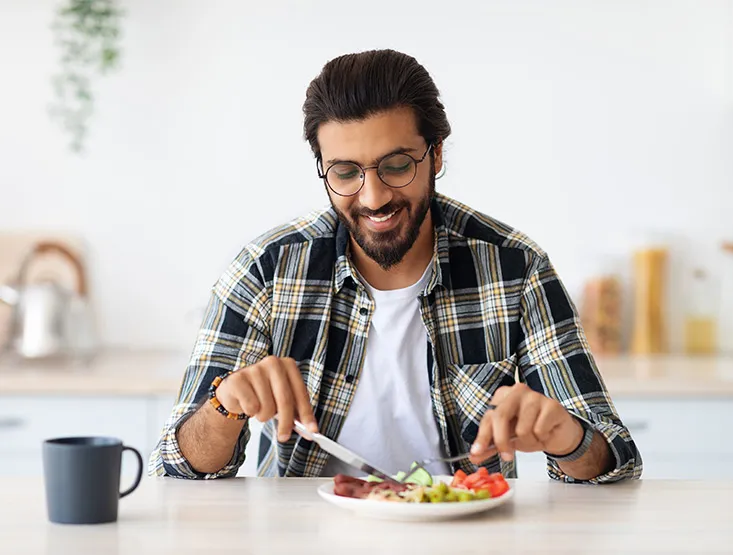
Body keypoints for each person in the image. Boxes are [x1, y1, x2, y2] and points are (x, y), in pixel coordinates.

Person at [149, 49, 642, 483]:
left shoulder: (515, 267)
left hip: (466, 535)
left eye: (397, 165)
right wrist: (225, 405)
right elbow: (177, 465)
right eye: (345, 172)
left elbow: (615, 460)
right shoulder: (266, 270)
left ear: (436, 154)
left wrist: (567, 436)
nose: (374, 196)